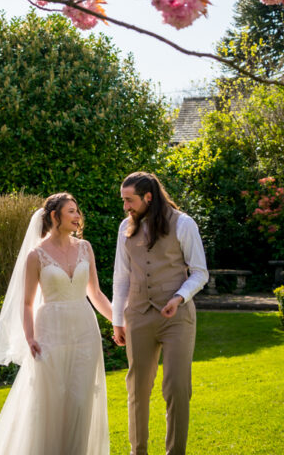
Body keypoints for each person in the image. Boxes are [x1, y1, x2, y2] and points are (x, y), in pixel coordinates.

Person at [0, 192, 114, 455]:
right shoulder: (36, 255)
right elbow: (28, 302)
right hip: (50, 332)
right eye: (71, 211)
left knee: (80, 400)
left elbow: (96, 294)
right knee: (52, 400)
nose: (78, 216)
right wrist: (30, 337)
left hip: (84, 330)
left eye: (78, 211)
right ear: (55, 216)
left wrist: (119, 322)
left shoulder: (85, 248)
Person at [111, 172, 209, 455]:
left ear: (148, 197)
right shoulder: (124, 228)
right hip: (138, 315)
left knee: (177, 387)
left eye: (129, 200)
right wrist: (118, 320)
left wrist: (179, 297)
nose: (126, 207)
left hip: (176, 317)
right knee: (137, 389)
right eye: (123, 201)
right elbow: (122, 278)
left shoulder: (183, 223)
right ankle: (137, 451)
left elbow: (200, 273)